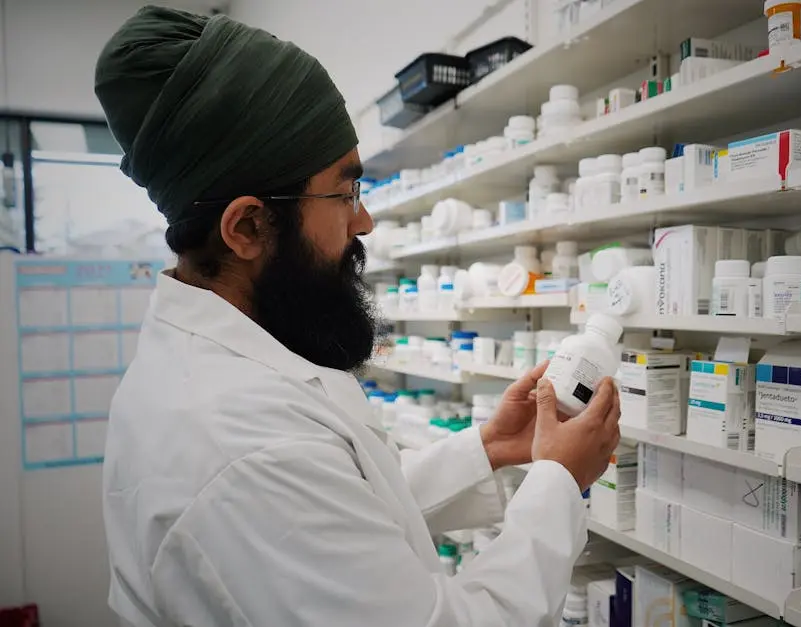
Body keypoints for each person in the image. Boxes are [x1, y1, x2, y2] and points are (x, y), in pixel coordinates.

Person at [97, 7, 621, 627]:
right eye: (344, 193)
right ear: (246, 226)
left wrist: (490, 448)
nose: (364, 220)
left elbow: (342, 512)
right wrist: (560, 480)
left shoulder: (232, 367)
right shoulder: (240, 443)